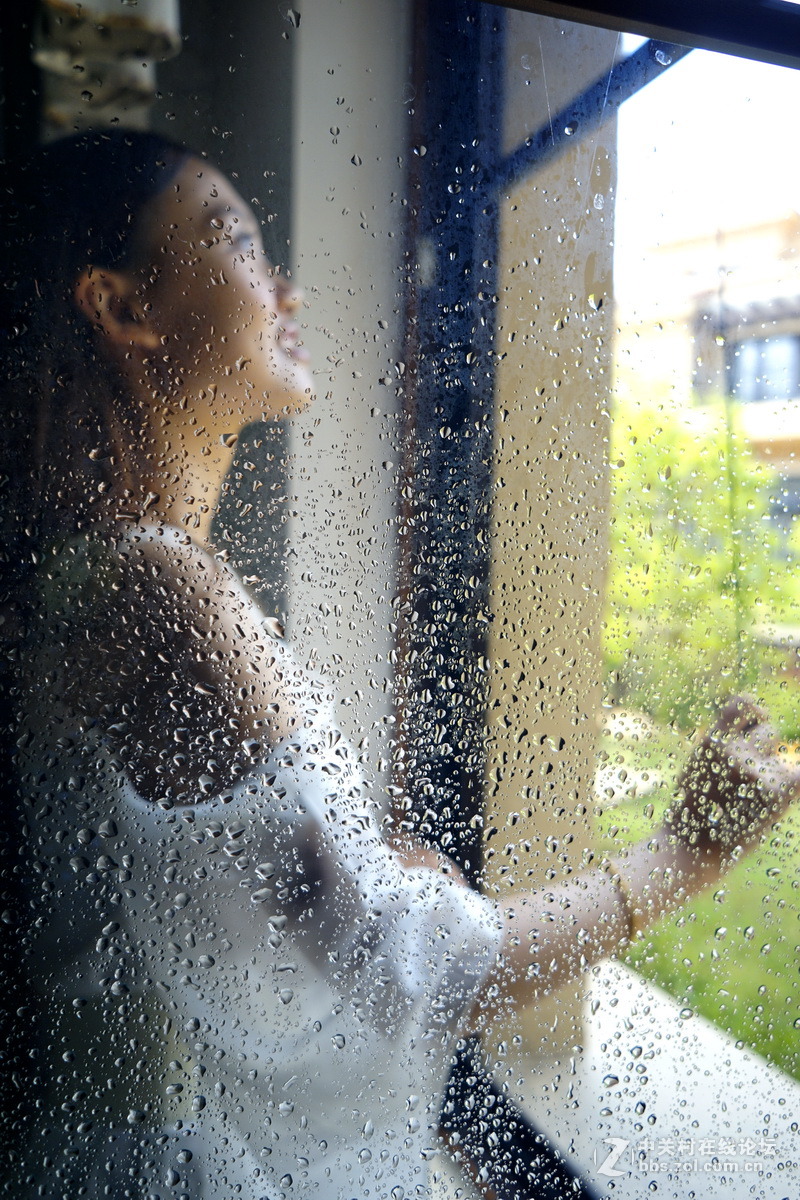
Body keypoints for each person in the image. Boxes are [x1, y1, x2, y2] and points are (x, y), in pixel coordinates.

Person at [1, 129, 798, 1200]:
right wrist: (682, 856)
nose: (283, 286)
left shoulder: (87, 574)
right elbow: (407, 970)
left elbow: (175, 913)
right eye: (235, 238)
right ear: (124, 308)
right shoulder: (161, 592)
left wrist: (364, 880)